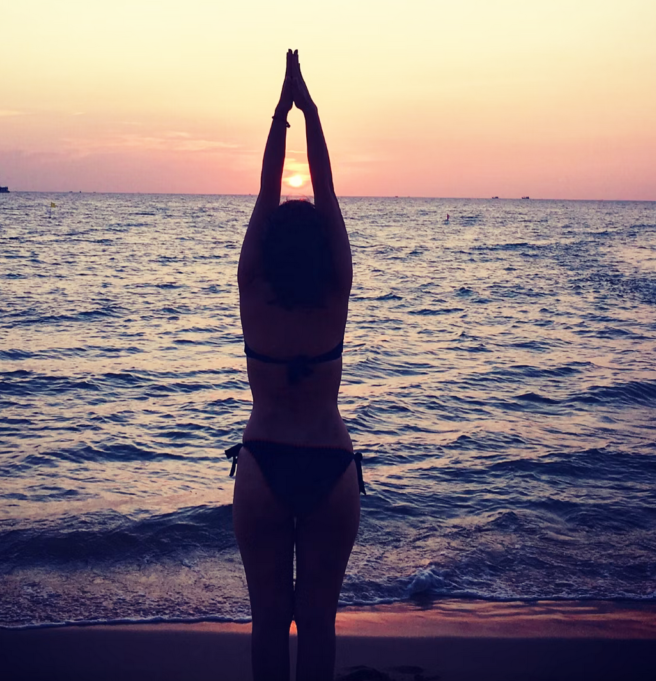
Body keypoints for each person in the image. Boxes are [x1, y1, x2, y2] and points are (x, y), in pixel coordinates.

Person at [226, 49, 364, 681]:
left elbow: (263, 192)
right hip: (330, 464)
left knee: (266, 624)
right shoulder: (336, 291)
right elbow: (328, 191)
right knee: (317, 625)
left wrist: (280, 116)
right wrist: (311, 112)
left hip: (263, 463)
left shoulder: (252, 289)